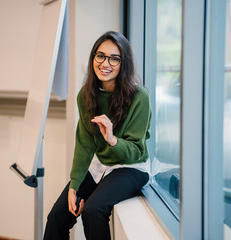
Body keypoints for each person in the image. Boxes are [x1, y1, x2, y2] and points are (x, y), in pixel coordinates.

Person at [43, 31, 152, 240]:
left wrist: (112, 139)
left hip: (130, 166)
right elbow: (84, 144)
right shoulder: (86, 94)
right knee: (57, 216)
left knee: (93, 210)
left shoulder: (139, 97)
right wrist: (74, 185)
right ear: (93, 58)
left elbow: (137, 151)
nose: (105, 63)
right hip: (100, 164)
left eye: (114, 58)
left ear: (124, 63)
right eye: (100, 55)